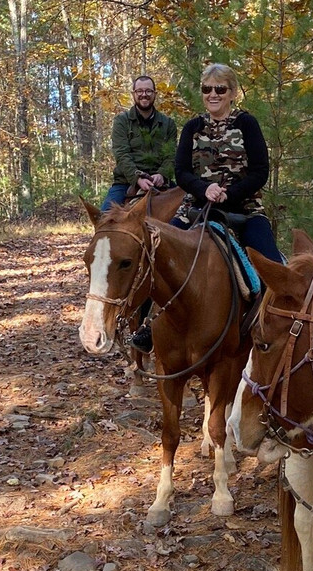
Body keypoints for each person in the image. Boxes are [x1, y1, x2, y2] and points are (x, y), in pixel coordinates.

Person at [129, 64, 281, 354]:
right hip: (196, 207)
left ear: (232, 93)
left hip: (244, 208)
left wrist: (230, 193)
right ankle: (147, 325)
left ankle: (274, 327)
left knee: (274, 266)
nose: (213, 94)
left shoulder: (247, 124)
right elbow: (182, 171)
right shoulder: (193, 127)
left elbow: (261, 170)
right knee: (157, 254)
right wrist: (204, 190)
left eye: (220, 89)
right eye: (207, 89)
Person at [101, 76, 177, 212]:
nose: (144, 95)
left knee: (186, 215)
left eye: (148, 91)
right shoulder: (122, 121)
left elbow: (171, 155)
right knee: (104, 218)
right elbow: (121, 154)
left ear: (155, 94)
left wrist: (162, 174)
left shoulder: (168, 124)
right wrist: (137, 178)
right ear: (133, 94)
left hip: (160, 182)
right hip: (126, 182)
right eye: (139, 91)